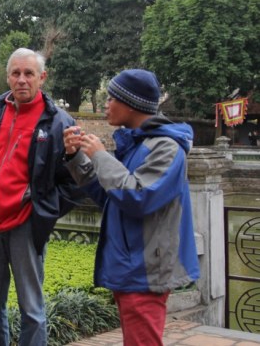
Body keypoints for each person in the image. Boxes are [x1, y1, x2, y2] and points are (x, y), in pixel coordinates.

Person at [62, 69, 200, 346]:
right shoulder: (136, 145)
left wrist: (100, 155)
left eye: (111, 98)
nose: (105, 104)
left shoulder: (166, 148)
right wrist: (75, 156)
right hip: (130, 266)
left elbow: (139, 196)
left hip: (145, 269)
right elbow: (109, 196)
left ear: (130, 103)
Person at [0, 48, 79, 346]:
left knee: (32, 309)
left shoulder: (58, 122)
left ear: (42, 78)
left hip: (24, 225)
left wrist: (42, 211)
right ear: (8, 76)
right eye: (16, 73)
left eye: (29, 74)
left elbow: (76, 180)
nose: (21, 80)